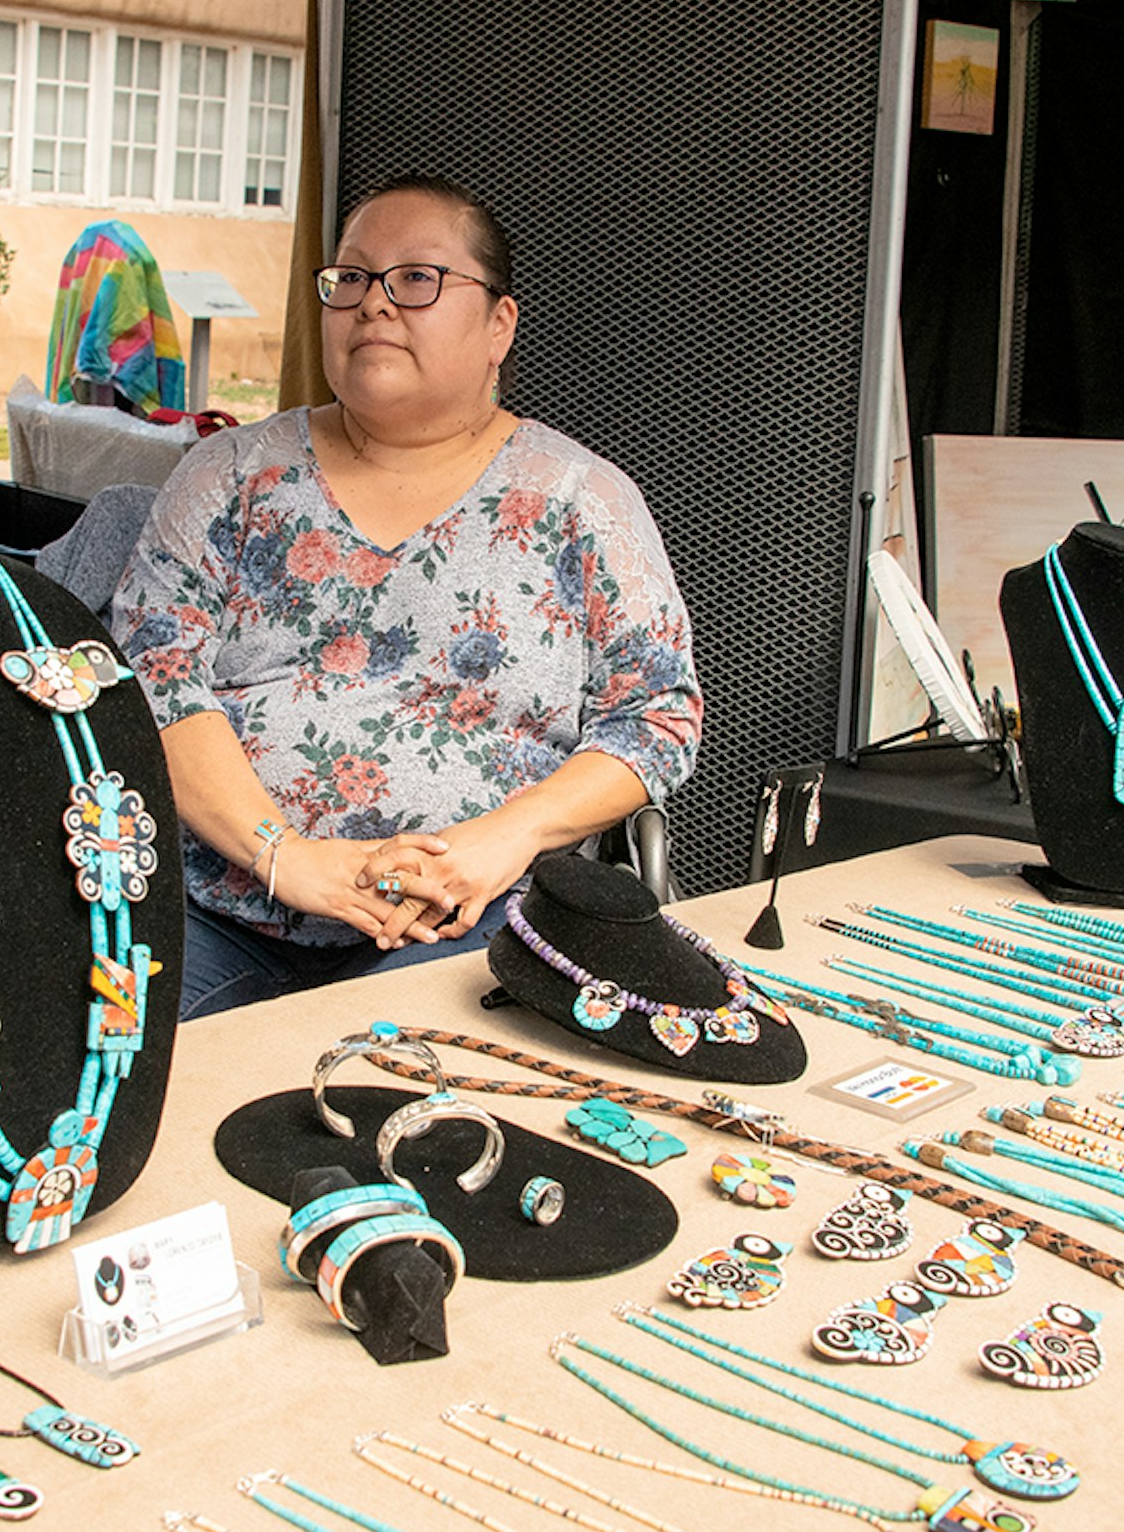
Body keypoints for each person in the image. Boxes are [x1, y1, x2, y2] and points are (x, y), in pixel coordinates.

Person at [110, 177, 704, 1019]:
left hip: (469, 916)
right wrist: (285, 856)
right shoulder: (228, 475)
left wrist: (506, 838)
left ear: (501, 324)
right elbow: (151, 678)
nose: (375, 305)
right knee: (114, 1083)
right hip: (219, 908)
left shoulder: (583, 500)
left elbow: (655, 717)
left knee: (377, 1088)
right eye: (351, 279)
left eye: (416, 279)